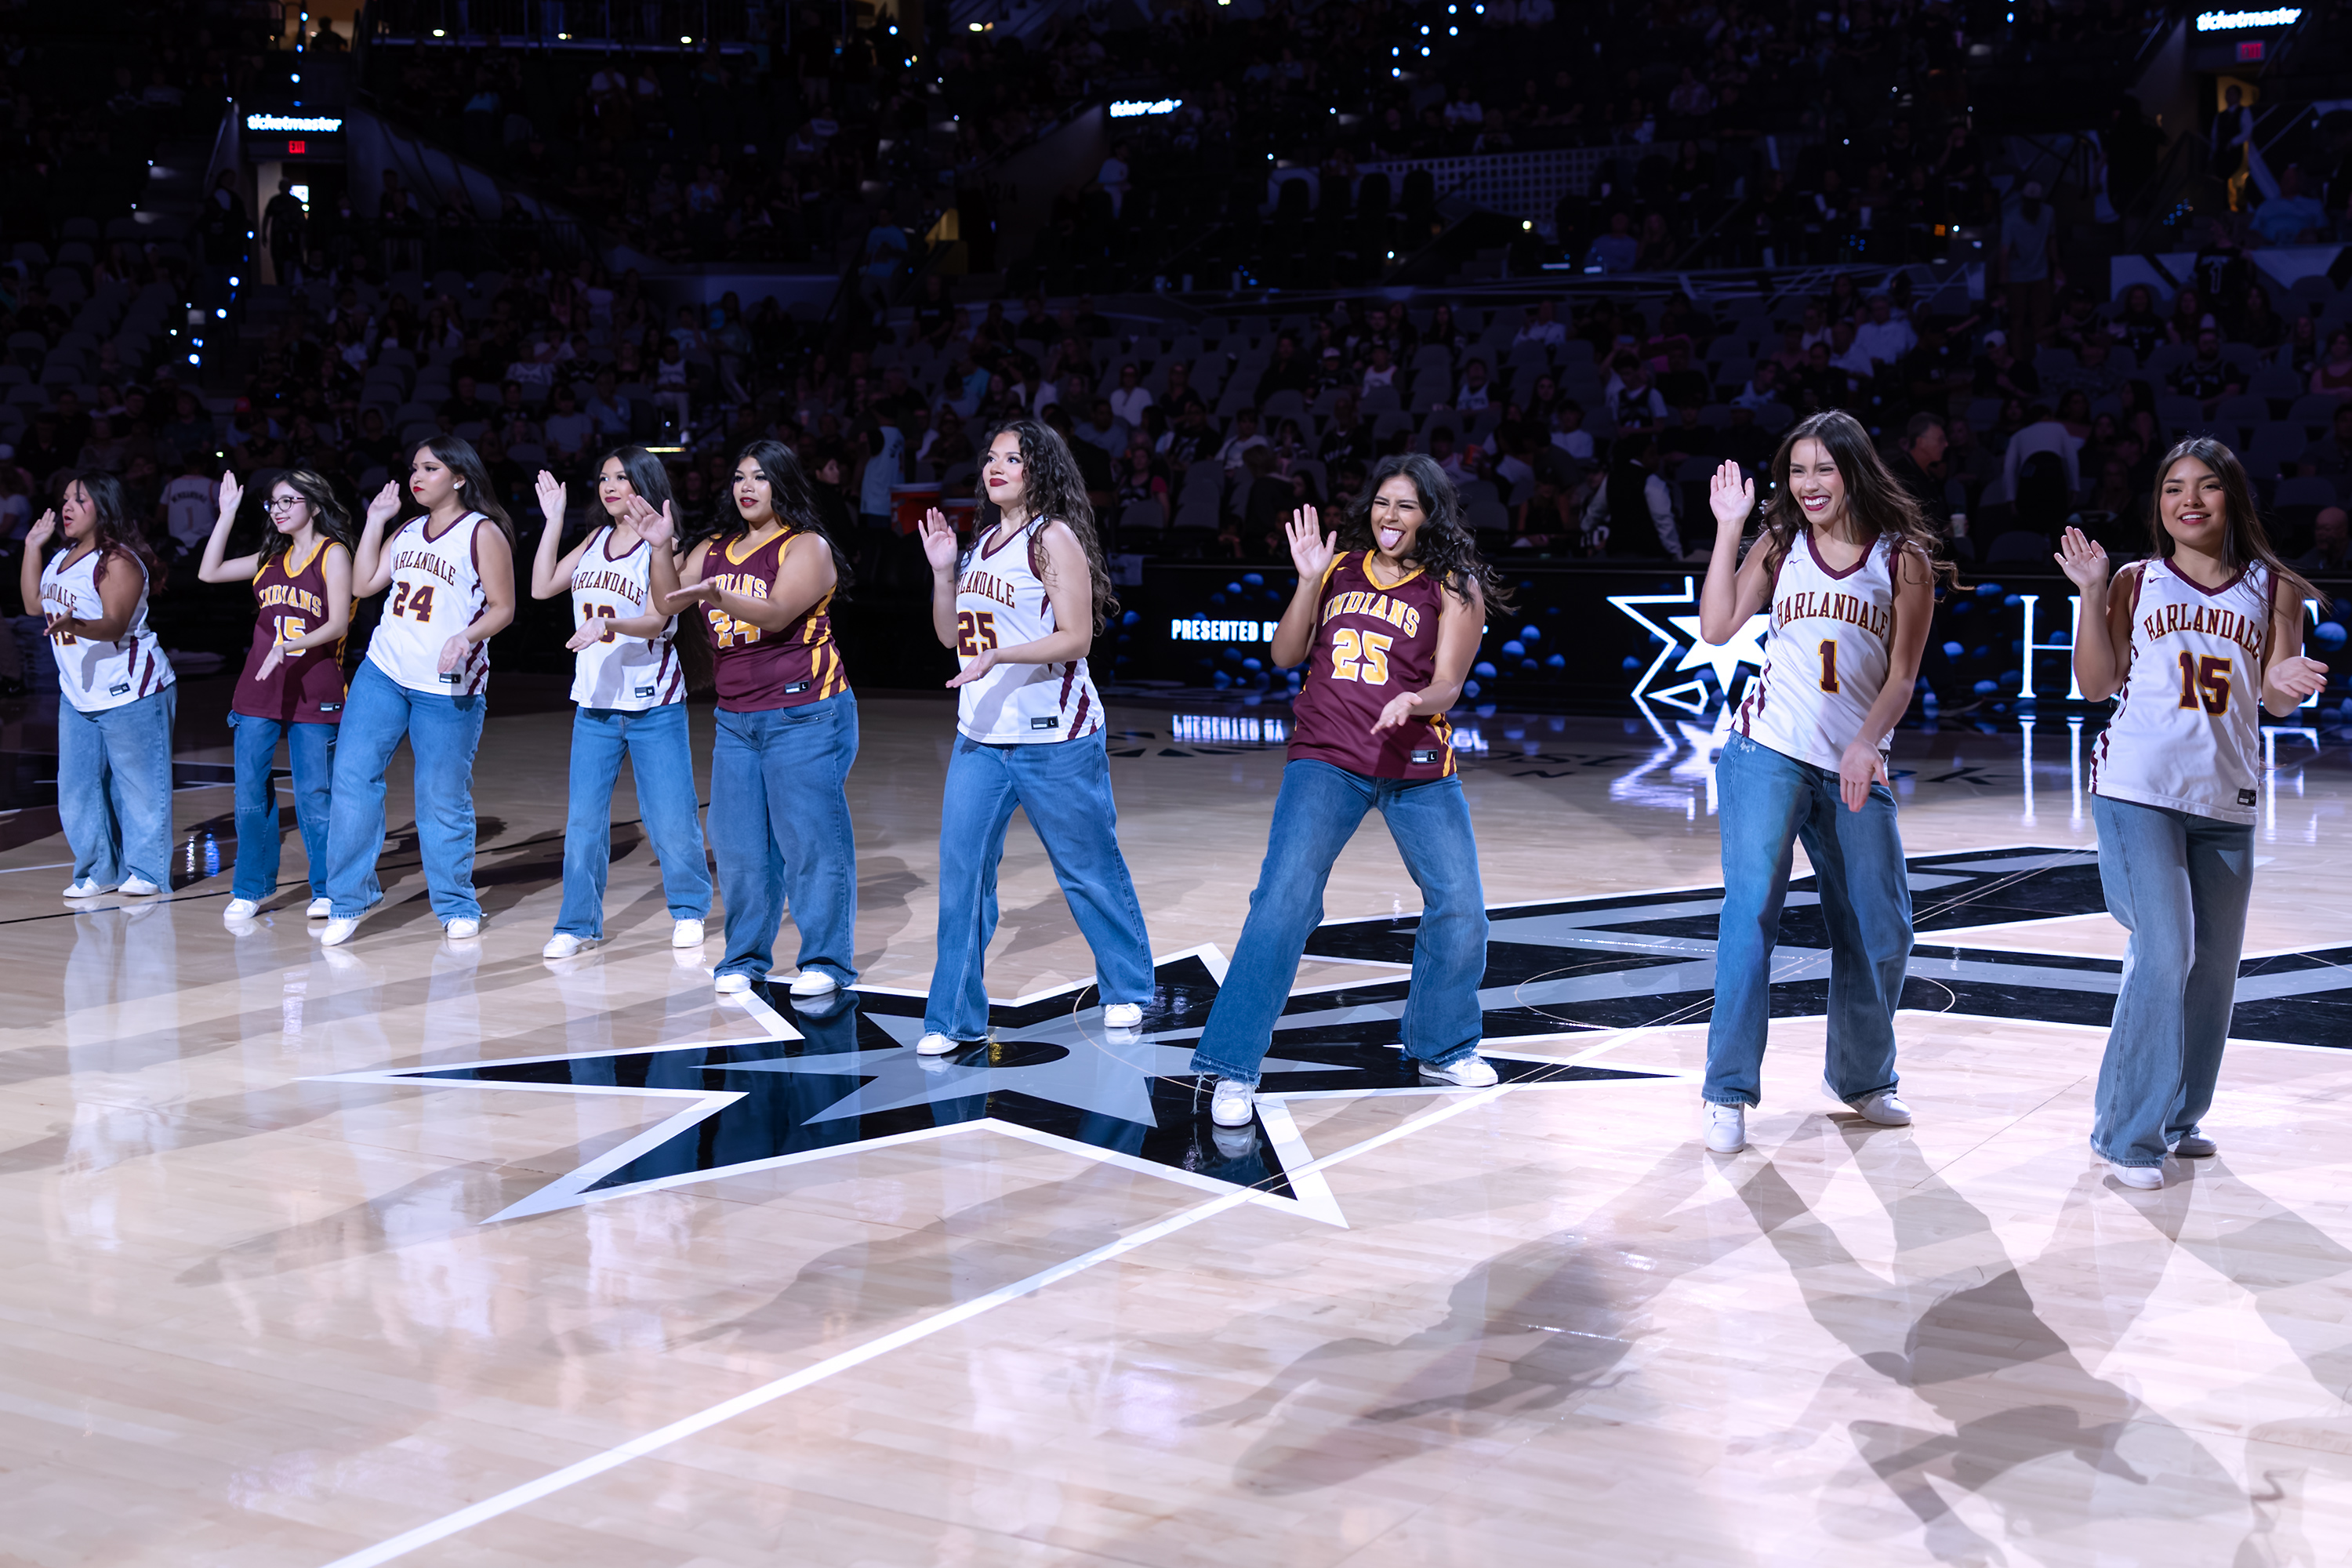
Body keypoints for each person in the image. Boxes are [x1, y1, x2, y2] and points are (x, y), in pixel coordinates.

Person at [1188, 453, 1504, 1128]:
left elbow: (1449, 683)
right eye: (1383, 503)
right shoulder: (1337, 569)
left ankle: (1442, 1045)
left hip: (1416, 762)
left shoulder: (1454, 585)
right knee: (1283, 899)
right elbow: (1283, 656)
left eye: (1407, 506)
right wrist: (1308, 580)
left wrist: (1414, 701)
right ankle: (1233, 1065)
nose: (1391, 517)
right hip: (1327, 755)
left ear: (1429, 516)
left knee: (1461, 907)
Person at [2055, 439, 2329, 1189]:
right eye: (2174, 488)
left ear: (2232, 498)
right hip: (2136, 787)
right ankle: (2125, 1135)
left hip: (2225, 797)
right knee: (2166, 949)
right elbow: (2096, 684)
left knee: (2213, 970)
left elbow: (2273, 697)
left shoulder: (2274, 587)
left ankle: (2178, 1117)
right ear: (2160, 503)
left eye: (2207, 487)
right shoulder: (2135, 581)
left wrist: (2286, 677)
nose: (2190, 500)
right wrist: (2091, 593)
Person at [1695, 411, 1946, 1155]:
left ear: (1853, 471)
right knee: (1750, 916)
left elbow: (1902, 677)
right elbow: (1716, 626)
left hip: (1855, 764)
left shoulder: (1903, 561)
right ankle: (1727, 1090)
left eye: (1823, 469)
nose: (1808, 484)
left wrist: (1867, 743)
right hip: (1766, 750)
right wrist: (1728, 528)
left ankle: (1862, 1078)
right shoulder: (1780, 543)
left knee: (1883, 926)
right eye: (1797, 471)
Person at [910, 419, 1154, 1055]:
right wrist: (943, 573)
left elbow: (1077, 637)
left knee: (1087, 871)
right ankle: (952, 1018)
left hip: (1056, 737)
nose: (996, 468)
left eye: (1012, 459)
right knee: (963, 881)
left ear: (1038, 470)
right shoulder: (981, 543)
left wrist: (1002, 656)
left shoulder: (1053, 538)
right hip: (979, 737)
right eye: (991, 458)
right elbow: (949, 636)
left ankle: (1127, 987)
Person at [666, 441, 858, 997]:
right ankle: (745, 957)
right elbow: (664, 603)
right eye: (738, 477)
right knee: (738, 846)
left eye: (760, 477)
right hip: (736, 719)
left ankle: (827, 961)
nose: (746, 487)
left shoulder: (806, 546)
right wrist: (659, 547)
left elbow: (775, 614)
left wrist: (716, 593)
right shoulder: (712, 548)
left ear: (782, 484)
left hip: (806, 712)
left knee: (810, 843)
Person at [319, 439, 518, 946]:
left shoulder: (482, 532)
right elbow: (364, 584)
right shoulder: (407, 530)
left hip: (448, 684)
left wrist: (466, 637)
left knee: (440, 796)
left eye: (431, 468)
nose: (417, 476)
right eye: (414, 468)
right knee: (352, 778)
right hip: (384, 671)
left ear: (460, 477)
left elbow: (503, 608)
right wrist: (374, 521)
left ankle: (455, 902)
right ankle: (349, 899)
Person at [528, 447, 711, 959]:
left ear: (645, 484)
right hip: (595, 704)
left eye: (622, 478)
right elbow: (541, 587)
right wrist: (554, 520)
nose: (609, 486)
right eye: (604, 478)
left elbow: (658, 620)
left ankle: (689, 910)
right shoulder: (594, 540)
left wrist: (606, 624)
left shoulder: (667, 546)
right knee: (584, 823)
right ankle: (577, 924)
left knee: (670, 817)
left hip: (654, 703)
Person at [197, 468, 355, 924]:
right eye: (272, 503)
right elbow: (209, 572)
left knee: (314, 795)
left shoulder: (334, 553)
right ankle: (251, 887)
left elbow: (338, 624)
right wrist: (227, 513)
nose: (278, 510)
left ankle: (326, 888)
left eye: (289, 501)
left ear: (315, 506)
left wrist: (289, 645)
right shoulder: (270, 557)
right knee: (249, 791)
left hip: (315, 688)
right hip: (259, 687)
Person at [22, 472, 177, 899]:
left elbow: (113, 626)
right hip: (77, 692)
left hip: (133, 688)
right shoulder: (62, 556)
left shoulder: (119, 560)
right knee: (76, 789)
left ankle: (146, 872)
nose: (67, 507)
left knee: (140, 790)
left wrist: (75, 625)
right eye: (65, 499)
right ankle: (98, 871)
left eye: (79, 500)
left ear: (104, 507)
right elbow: (34, 604)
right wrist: (32, 546)